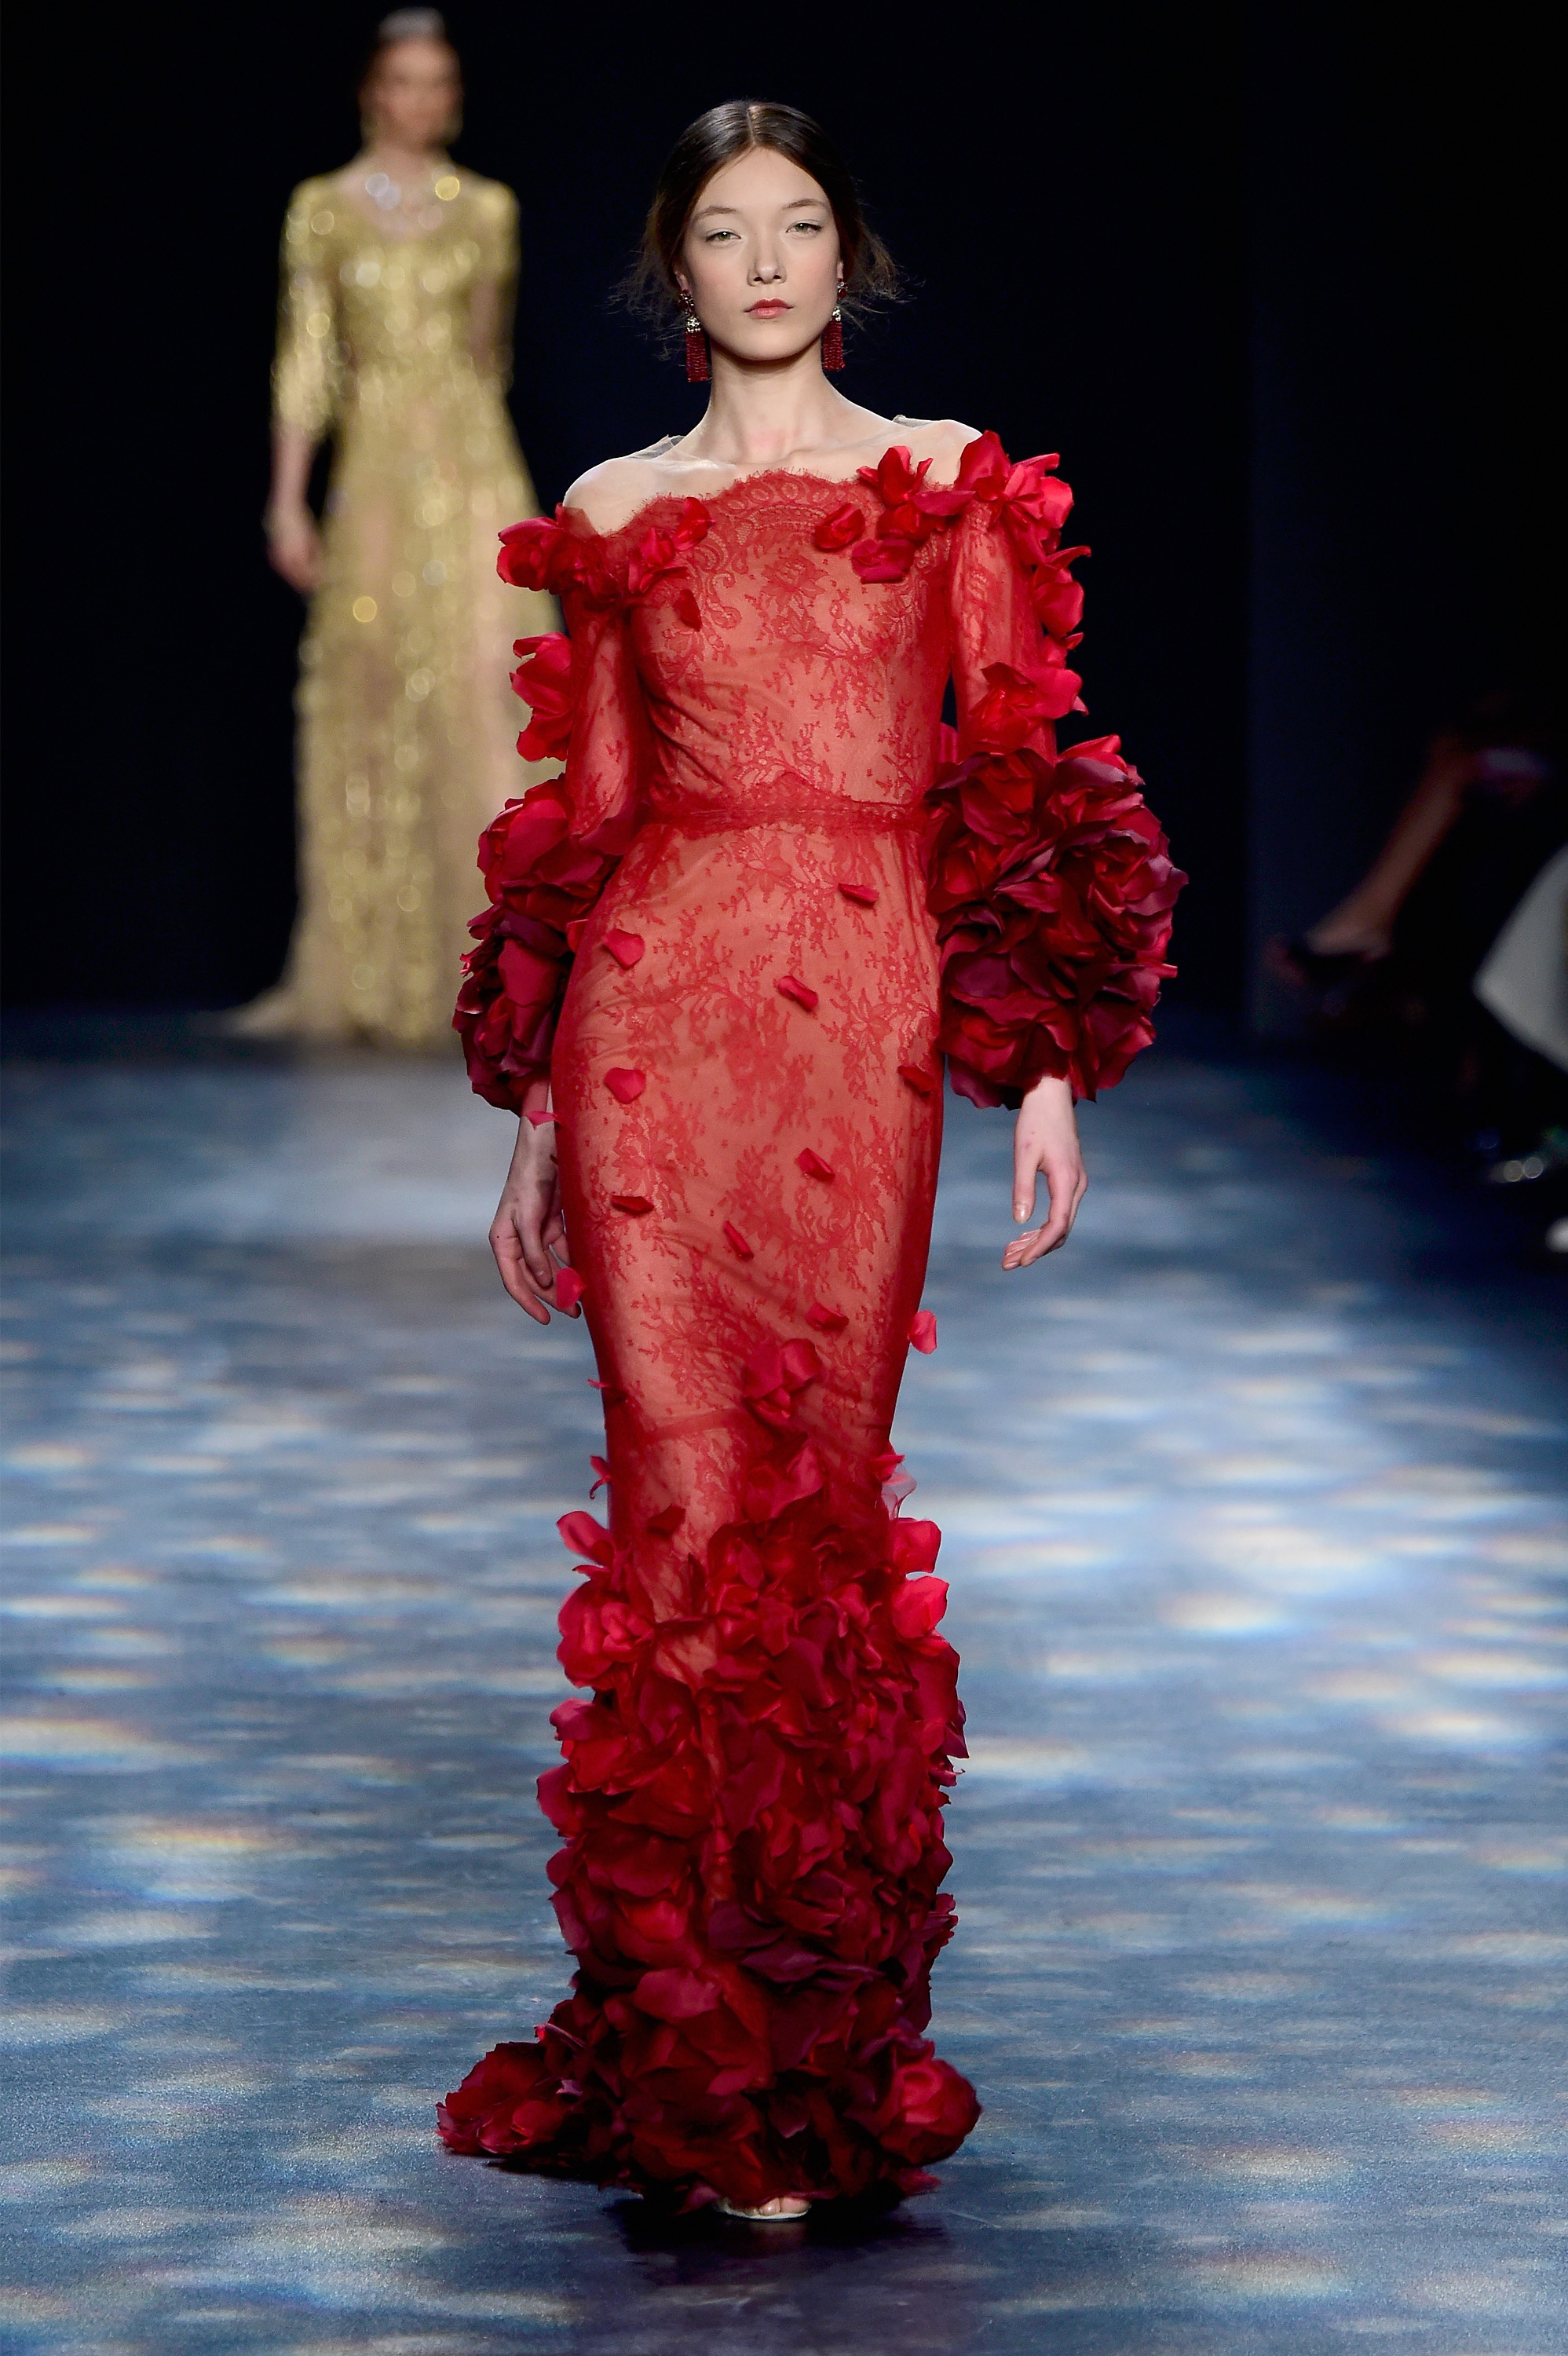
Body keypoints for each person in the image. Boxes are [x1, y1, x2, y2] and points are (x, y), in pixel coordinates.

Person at [437, 102, 1183, 2219]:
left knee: (816, 1500)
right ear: (670, 277)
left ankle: (813, 2043)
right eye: (721, 233)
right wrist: (530, 1121)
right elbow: (574, 837)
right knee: (679, 1510)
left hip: (862, 1018)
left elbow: (1020, 767)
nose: (763, 260)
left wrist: (1041, 1063)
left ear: (841, 261)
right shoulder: (607, 507)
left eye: (797, 226)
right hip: (652, 1018)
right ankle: (696, 2071)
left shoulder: (940, 477)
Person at [239, 9, 558, 1047]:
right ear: (373, 89)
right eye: (403, 80)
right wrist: (289, 497)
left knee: (487, 685)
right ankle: (377, 969)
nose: (419, 99)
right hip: (372, 469)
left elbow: (488, 355)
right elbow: (306, 364)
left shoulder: (489, 211)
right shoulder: (322, 210)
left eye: (437, 81)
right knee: (372, 684)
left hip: (470, 466)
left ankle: (508, 962)